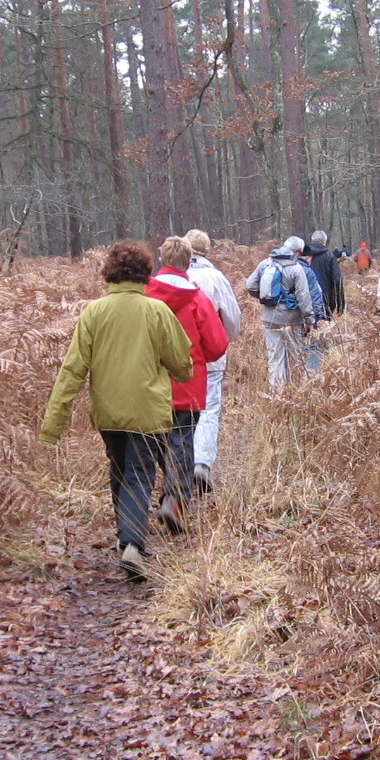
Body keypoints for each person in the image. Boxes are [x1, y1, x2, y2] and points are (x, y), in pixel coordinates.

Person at [40, 240, 193, 580]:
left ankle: (126, 540)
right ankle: (134, 546)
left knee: (121, 472)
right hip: (148, 413)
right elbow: (183, 364)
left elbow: (72, 370)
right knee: (139, 474)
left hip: (108, 412)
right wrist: (177, 370)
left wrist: (53, 424)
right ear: (145, 274)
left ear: (109, 273)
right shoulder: (157, 312)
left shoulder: (94, 312)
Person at [146, 236, 228, 531]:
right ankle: (174, 499)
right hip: (188, 384)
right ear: (189, 261)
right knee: (182, 440)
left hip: (150, 384)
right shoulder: (197, 299)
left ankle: (165, 494)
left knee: (157, 440)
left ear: (162, 260)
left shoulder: (146, 295)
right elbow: (218, 346)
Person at [183, 229, 241, 494]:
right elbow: (232, 317)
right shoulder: (215, 278)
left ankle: (180, 466)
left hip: (179, 355)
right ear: (207, 249)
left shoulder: (176, 277)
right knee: (209, 407)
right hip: (212, 354)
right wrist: (224, 340)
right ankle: (202, 462)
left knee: (182, 410)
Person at [244, 238, 314, 389]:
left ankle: (277, 394)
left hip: (270, 317)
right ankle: (295, 393)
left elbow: (250, 285)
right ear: (296, 251)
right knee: (295, 356)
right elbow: (303, 296)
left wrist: (266, 298)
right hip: (292, 319)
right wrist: (309, 319)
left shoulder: (266, 263)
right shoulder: (296, 268)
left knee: (275, 357)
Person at [295, 238, 331, 377]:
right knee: (312, 347)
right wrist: (317, 319)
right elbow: (315, 297)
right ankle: (312, 377)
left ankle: (297, 378)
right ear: (307, 257)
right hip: (307, 318)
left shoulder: (284, 269)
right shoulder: (307, 272)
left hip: (289, 318)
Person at [304, 231, 346, 317]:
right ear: (324, 241)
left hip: (305, 299)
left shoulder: (304, 256)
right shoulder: (329, 256)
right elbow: (337, 280)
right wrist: (340, 304)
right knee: (324, 326)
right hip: (326, 300)